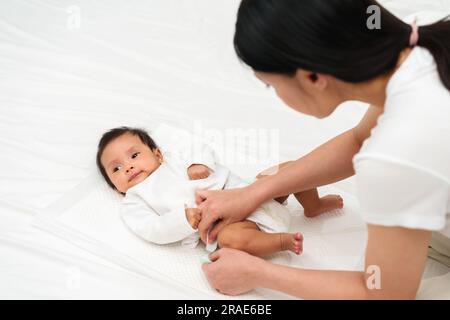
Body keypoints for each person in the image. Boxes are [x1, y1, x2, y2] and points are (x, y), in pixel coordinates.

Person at [197, 0, 450, 299]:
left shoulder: (398, 151)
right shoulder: (423, 33)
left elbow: (383, 295)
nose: (276, 95)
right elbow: (359, 140)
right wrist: (252, 192)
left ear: (313, 77)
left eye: (271, 85)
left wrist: (257, 273)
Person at [95, 126, 341, 257]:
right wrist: (183, 220)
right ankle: (280, 243)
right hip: (224, 224)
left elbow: (196, 145)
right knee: (232, 241)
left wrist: (198, 163)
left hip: (248, 190)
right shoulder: (134, 201)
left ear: (157, 153)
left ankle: (313, 206)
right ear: (114, 187)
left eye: (134, 155)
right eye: (115, 169)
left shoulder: (174, 159)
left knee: (291, 171)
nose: (128, 167)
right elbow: (152, 229)